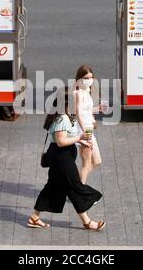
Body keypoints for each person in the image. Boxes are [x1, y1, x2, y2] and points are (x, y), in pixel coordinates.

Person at [27, 90, 106, 231]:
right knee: (74, 186)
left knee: (52, 187)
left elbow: (68, 138)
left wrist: (81, 142)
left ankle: (34, 217)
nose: (77, 105)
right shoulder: (62, 118)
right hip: (61, 158)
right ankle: (87, 222)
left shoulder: (67, 116)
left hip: (62, 156)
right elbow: (61, 142)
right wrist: (80, 139)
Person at [74, 65, 106, 184]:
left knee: (97, 161)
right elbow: (78, 114)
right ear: (79, 79)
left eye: (91, 78)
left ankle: (74, 185)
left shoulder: (86, 91)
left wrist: (98, 108)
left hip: (89, 130)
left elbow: (85, 110)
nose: (89, 80)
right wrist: (85, 133)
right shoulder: (78, 93)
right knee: (86, 163)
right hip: (84, 132)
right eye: (86, 78)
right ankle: (78, 191)